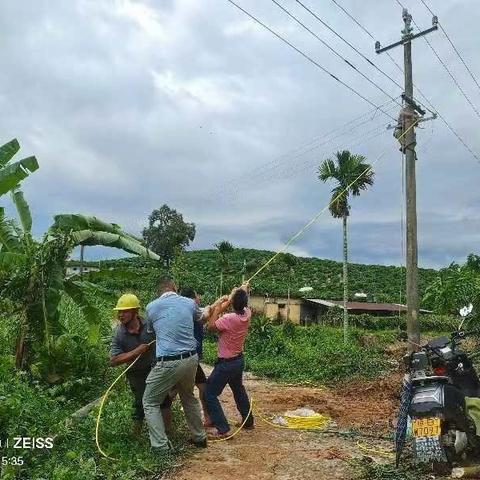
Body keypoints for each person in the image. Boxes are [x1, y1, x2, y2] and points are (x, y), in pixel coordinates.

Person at [142, 276, 207, 451]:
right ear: (174, 288)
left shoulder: (151, 307)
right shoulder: (188, 303)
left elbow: (151, 331)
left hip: (168, 362)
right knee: (188, 397)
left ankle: (161, 446)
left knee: (149, 401)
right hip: (191, 359)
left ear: (159, 291)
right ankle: (199, 437)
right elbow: (202, 317)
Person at [110, 293, 173, 437]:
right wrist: (135, 352)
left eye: (125, 311)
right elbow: (113, 361)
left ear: (135, 312)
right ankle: (136, 436)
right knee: (140, 403)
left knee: (164, 401)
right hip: (136, 374)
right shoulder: (119, 334)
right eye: (119, 311)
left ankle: (168, 433)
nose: (121, 315)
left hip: (156, 369)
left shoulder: (151, 327)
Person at [204, 283, 254, 439]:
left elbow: (210, 327)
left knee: (209, 394)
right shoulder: (247, 313)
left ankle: (223, 429)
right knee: (238, 390)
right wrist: (242, 289)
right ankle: (248, 421)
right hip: (238, 361)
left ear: (233, 303)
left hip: (226, 363)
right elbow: (241, 298)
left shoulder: (228, 318)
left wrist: (218, 308)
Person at [179, 287, 212, 427]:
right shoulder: (191, 312)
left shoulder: (189, 311)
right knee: (202, 388)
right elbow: (206, 313)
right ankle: (206, 418)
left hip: (190, 359)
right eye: (197, 296)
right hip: (188, 358)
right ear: (192, 299)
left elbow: (207, 311)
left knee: (200, 388)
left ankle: (207, 418)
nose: (199, 298)